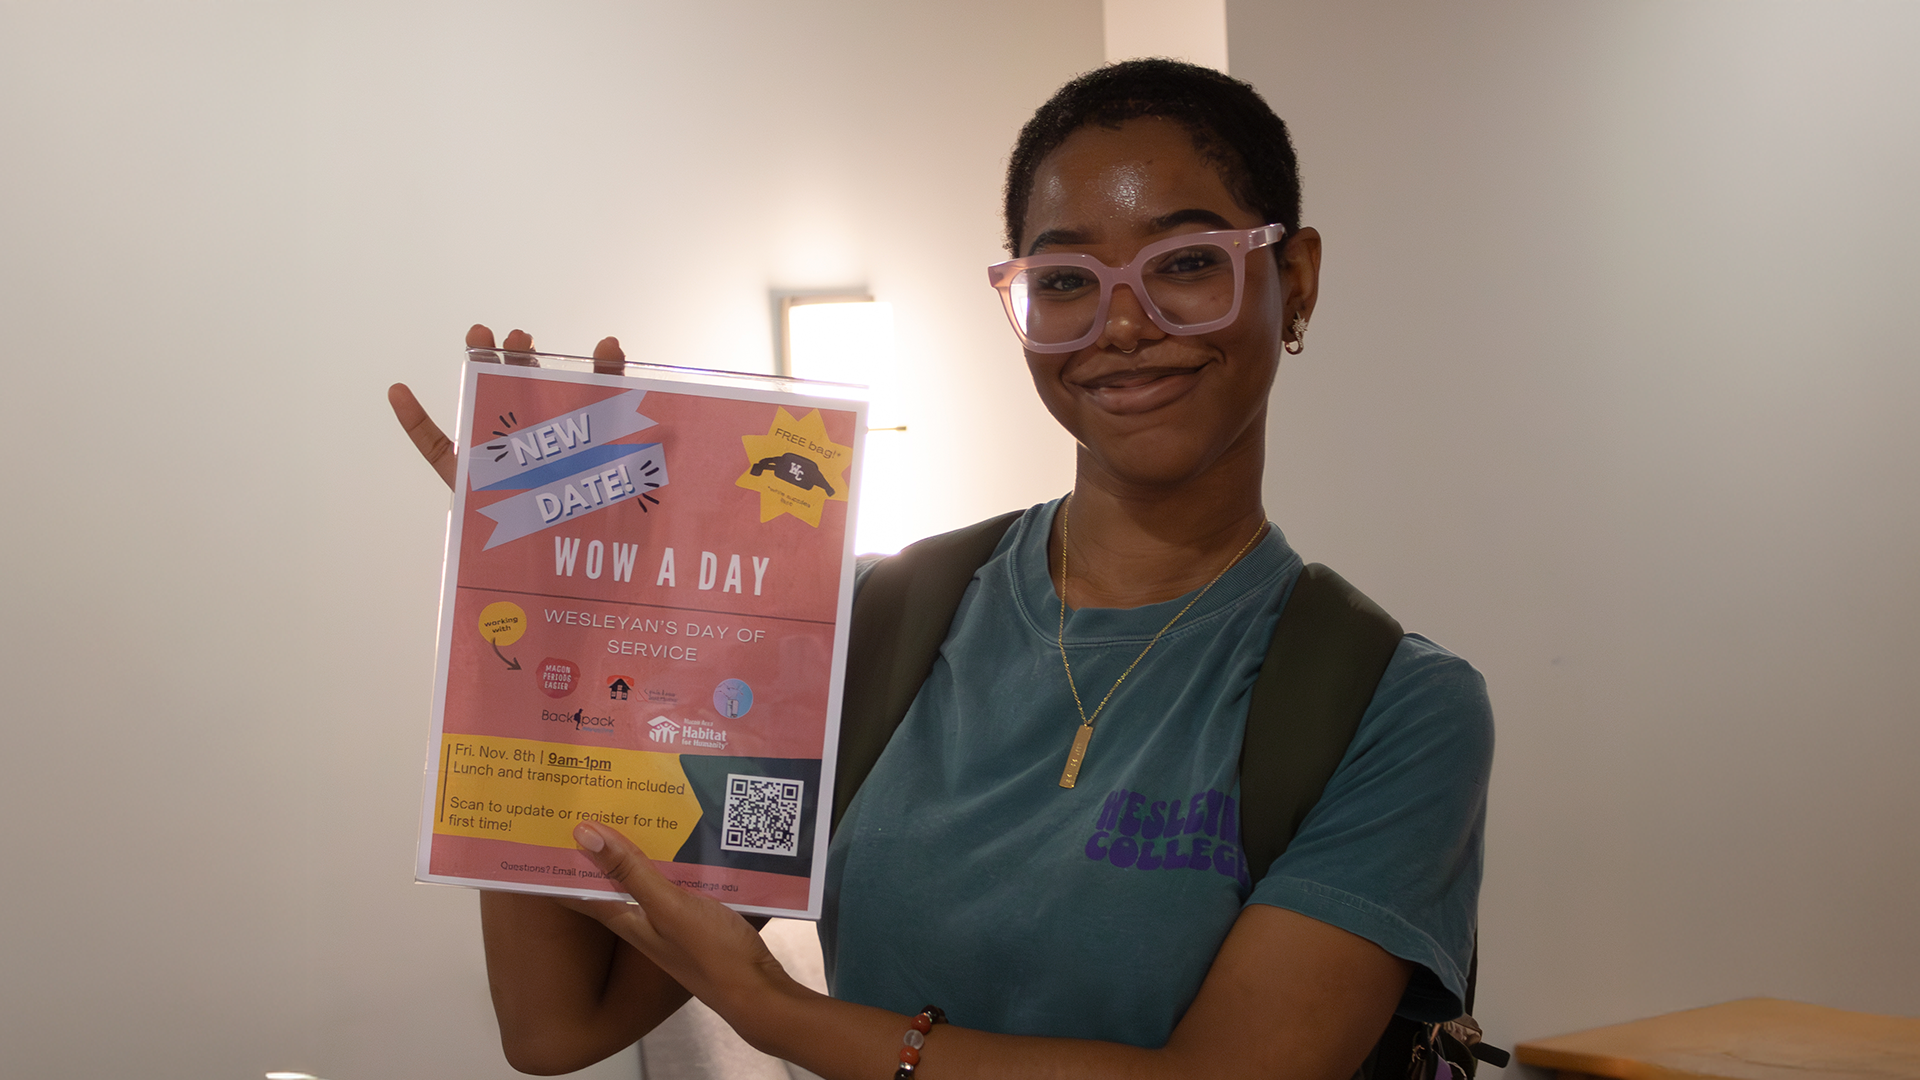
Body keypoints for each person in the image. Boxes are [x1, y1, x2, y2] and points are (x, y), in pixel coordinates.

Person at [390, 59, 1492, 1080]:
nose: (1122, 323)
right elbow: (559, 1022)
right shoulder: (870, 627)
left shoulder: (1393, 706)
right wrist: (546, 602)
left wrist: (772, 1009)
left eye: (1188, 263)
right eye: (1065, 279)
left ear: (1295, 278)